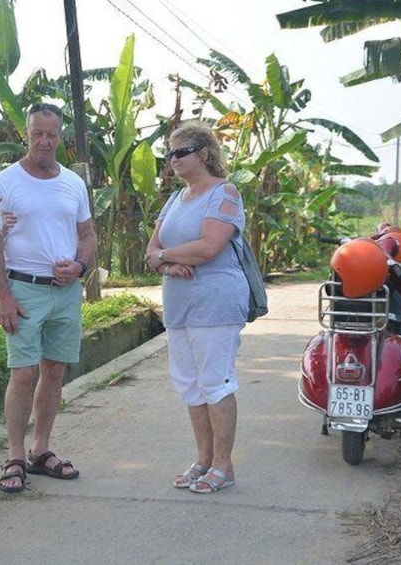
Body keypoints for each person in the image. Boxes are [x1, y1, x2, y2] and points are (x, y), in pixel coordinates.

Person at [0, 102, 97, 494]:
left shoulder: (73, 183)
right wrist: (3, 296)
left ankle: (41, 450)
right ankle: (14, 455)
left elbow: (87, 235)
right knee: (23, 372)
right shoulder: (5, 182)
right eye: (37, 134)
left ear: (60, 136)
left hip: (65, 292)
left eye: (51, 134)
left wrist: (80, 268)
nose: (45, 141)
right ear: (26, 134)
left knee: (54, 372)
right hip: (24, 290)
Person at [145, 122, 248, 494]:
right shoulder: (175, 199)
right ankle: (203, 459)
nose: (172, 160)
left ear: (204, 153)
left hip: (216, 303)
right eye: (169, 153)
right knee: (190, 384)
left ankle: (224, 463)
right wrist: (169, 263)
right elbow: (150, 252)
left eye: (180, 152)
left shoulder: (225, 193)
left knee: (215, 382)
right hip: (179, 304)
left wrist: (165, 255)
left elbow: (209, 247)